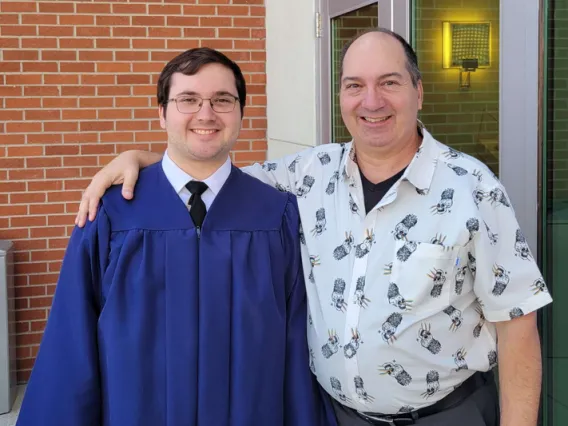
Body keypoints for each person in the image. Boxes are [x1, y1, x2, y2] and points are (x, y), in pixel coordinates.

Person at [75, 29, 552, 426]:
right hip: (336, 416)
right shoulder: (308, 175)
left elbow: (518, 326)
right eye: (354, 85)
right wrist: (143, 160)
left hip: (447, 415)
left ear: (418, 90)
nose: (371, 101)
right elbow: (209, 172)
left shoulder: (474, 189)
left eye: (389, 83)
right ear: (340, 94)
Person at [17, 47, 336, 426]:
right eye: (188, 100)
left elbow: (296, 349)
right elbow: (70, 342)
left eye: (222, 100)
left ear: (240, 113)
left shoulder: (276, 214)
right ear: (162, 112)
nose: (206, 113)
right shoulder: (111, 213)